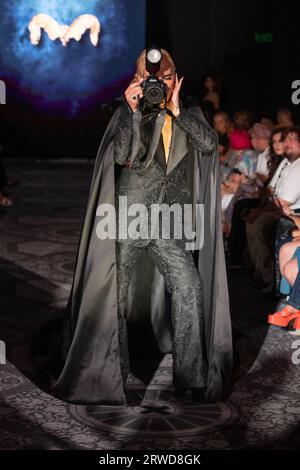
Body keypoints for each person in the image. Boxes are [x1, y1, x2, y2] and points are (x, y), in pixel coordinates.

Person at [51, 48, 232, 405]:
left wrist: (178, 110)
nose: (158, 86)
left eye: (165, 78)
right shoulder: (124, 109)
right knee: (115, 296)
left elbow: (210, 145)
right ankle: (108, 376)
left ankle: (191, 378)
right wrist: (133, 113)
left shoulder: (187, 111)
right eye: (152, 79)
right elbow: (119, 156)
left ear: (175, 78)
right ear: (138, 79)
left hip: (168, 222)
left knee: (189, 287)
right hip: (128, 218)